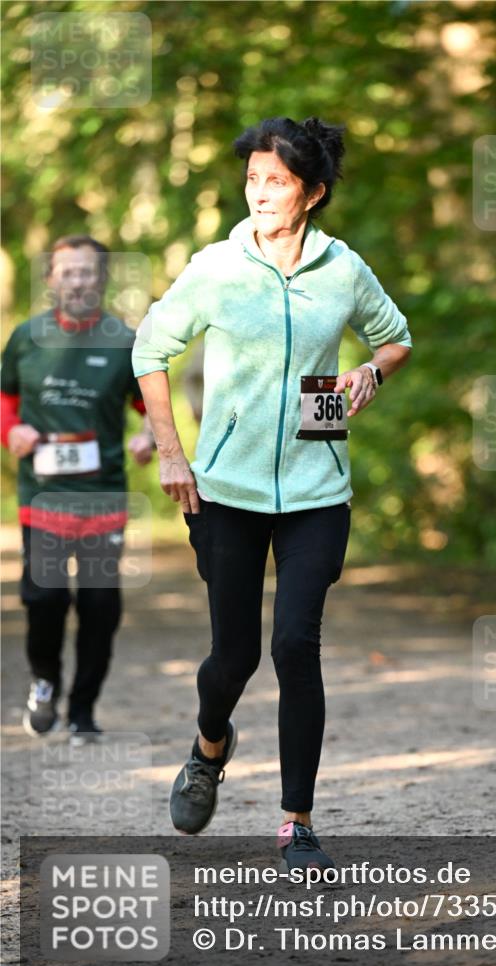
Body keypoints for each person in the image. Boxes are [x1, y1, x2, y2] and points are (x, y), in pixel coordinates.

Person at [132, 115, 412, 871]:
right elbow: (150, 349)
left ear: (312, 193)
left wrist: (368, 371)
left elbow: (395, 337)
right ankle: (209, 747)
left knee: (295, 644)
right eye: (253, 178)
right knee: (234, 657)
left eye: (276, 181)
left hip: (318, 488)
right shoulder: (217, 268)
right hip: (226, 490)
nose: (259, 193)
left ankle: (297, 823)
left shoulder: (342, 269)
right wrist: (172, 454)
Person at [0, 235, 155, 745]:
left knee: (99, 608)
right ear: (51, 279)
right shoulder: (26, 338)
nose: (77, 281)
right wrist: (11, 431)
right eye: (67, 272)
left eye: (87, 272)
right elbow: (5, 399)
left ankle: (83, 710)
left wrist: (148, 436)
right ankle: (44, 681)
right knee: (44, 599)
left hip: (102, 498)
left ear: (102, 278)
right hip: (42, 499)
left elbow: (149, 406)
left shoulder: (124, 342)